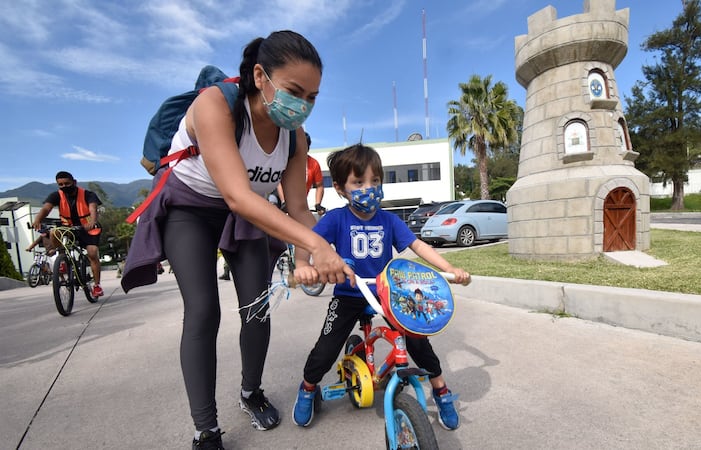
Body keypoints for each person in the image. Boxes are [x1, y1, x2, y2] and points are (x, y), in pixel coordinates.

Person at [119, 30, 354, 450]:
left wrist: (307, 256)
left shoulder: (294, 136)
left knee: (257, 308)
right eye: (295, 91)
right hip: (190, 208)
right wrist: (316, 245)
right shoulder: (214, 104)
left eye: (313, 97)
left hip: (243, 212)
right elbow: (238, 195)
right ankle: (205, 430)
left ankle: (251, 391)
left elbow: (298, 209)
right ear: (260, 76)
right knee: (204, 310)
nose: (303, 105)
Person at [291, 144, 470, 430]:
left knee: (417, 338)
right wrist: (302, 264)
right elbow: (306, 240)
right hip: (350, 292)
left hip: (387, 292)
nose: (369, 188)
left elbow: (418, 244)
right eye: (359, 182)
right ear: (339, 188)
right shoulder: (336, 218)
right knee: (326, 350)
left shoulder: (388, 219)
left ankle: (441, 390)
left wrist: (448, 269)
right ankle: (308, 388)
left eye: (375, 181)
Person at [32, 171, 104, 297]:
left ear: (74, 182)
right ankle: (62, 260)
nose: (64, 186)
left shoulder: (88, 194)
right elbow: (46, 209)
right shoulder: (56, 196)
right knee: (55, 232)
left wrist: (92, 222)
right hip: (68, 228)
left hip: (87, 228)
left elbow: (93, 208)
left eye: (67, 183)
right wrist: (38, 219)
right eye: (61, 184)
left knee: (92, 252)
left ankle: (97, 286)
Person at [276, 132, 326, 216]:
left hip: (298, 202)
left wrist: (318, 204)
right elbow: (278, 182)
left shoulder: (313, 164)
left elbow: (319, 186)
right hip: (278, 195)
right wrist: (284, 201)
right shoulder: (284, 160)